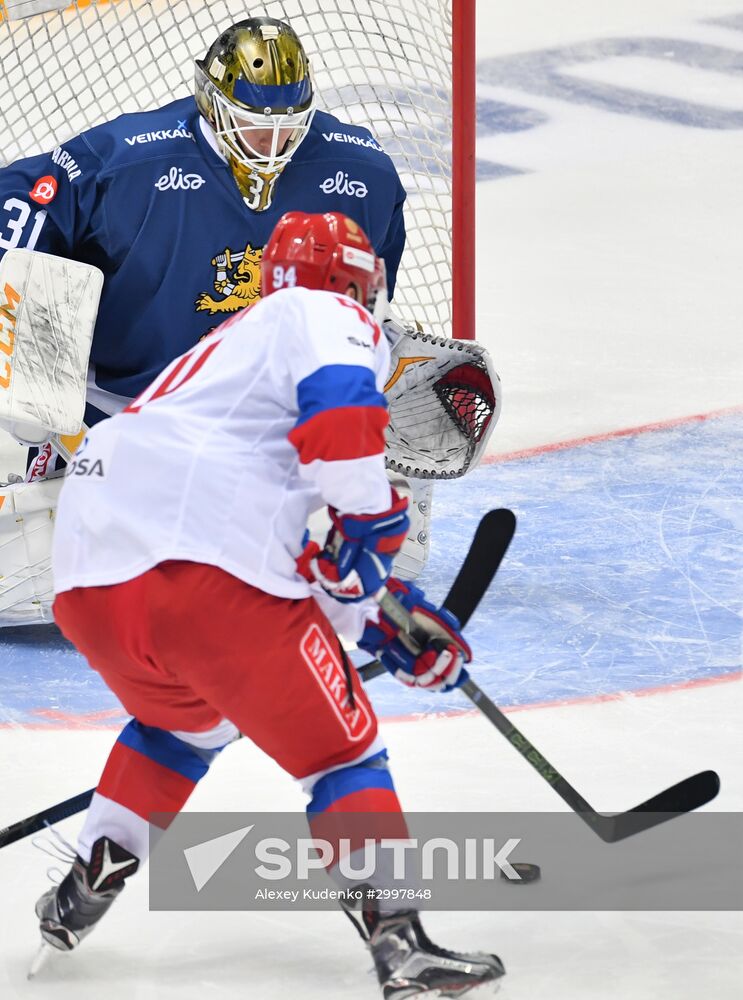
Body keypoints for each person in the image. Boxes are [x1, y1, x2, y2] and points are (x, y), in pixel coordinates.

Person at [33, 211, 505, 997]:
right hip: (204, 584)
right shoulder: (324, 313)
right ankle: (401, 945)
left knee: (181, 728)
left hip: (90, 589)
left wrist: (385, 621)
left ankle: (82, 892)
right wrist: (371, 522)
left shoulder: (220, 367)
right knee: (342, 755)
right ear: (361, 281)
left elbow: (302, 559)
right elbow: (341, 420)